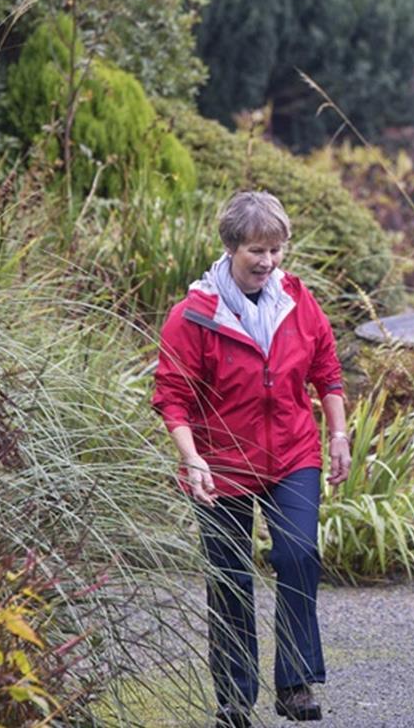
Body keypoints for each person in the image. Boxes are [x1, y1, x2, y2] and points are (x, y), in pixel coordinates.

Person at [153, 191, 353, 727]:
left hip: (292, 452)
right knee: (229, 576)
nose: (268, 262)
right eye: (256, 251)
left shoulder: (297, 301)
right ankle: (235, 698)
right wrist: (192, 459)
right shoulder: (194, 316)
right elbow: (171, 396)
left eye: (276, 250)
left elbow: (327, 370)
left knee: (298, 555)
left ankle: (295, 684)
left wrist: (337, 434)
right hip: (220, 462)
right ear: (231, 247)